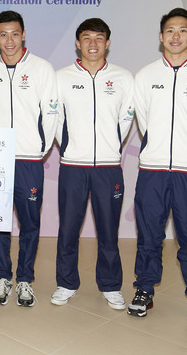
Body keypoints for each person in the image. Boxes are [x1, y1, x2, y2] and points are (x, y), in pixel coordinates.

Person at [128, 8, 187, 328]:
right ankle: (144, 290)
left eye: (182, 30)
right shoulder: (145, 76)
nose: (175, 36)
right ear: (160, 36)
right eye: (169, 30)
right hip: (152, 171)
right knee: (149, 236)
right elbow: (142, 118)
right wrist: (156, 146)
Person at [50, 18, 134, 310]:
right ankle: (66, 282)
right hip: (73, 165)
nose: (93, 44)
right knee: (68, 228)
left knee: (109, 229)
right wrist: (70, 147)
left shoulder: (124, 78)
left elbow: (127, 117)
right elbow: (55, 117)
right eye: (87, 38)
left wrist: (111, 145)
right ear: (78, 42)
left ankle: (110, 285)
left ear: (108, 43)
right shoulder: (61, 77)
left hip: (109, 166)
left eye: (99, 38)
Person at [0, 10, 58, 307]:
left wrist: (40, 148)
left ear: (23, 34)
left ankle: (25, 279)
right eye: (3, 34)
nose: (9, 40)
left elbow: (51, 113)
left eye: (14, 34)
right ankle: (3, 277)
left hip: (28, 159)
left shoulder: (42, 69)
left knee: (30, 223)